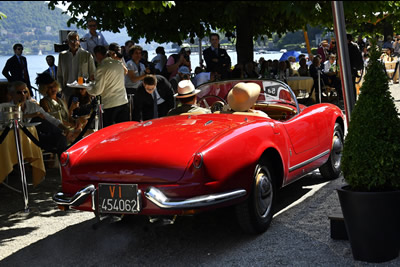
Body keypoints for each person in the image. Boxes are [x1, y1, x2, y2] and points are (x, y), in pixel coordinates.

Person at [8, 81, 68, 156]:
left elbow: (49, 118)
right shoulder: (6, 108)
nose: (23, 95)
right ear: (11, 95)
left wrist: (64, 128)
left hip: (35, 138)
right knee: (37, 119)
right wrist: (32, 115)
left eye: (25, 92)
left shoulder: (32, 106)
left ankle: (64, 163)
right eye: (19, 92)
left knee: (60, 137)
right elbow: (9, 119)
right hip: (16, 140)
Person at [87, 45, 129, 127]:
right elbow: (124, 73)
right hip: (123, 101)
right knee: (124, 130)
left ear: (98, 55)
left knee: (110, 133)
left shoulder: (101, 68)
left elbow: (97, 91)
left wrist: (88, 86)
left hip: (110, 105)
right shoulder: (118, 63)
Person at [36, 73, 81, 143]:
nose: (53, 89)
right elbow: (53, 120)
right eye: (49, 87)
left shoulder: (62, 100)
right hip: (60, 130)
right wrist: (72, 126)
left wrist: (75, 122)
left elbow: (68, 116)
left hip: (70, 128)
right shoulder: (44, 102)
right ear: (44, 90)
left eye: (54, 86)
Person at [57, 31, 96, 102]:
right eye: (71, 41)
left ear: (79, 42)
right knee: (69, 111)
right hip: (67, 90)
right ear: (68, 42)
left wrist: (90, 90)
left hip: (82, 90)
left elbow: (92, 73)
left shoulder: (86, 55)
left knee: (83, 111)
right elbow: (59, 75)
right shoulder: (62, 56)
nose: (74, 43)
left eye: (76, 40)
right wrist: (60, 89)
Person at [347, 33, 364, 101]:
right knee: (351, 84)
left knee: (351, 84)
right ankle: (352, 99)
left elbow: (356, 58)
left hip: (351, 68)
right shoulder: (354, 46)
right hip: (352, 68)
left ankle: (352, 99)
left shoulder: (352, 47)